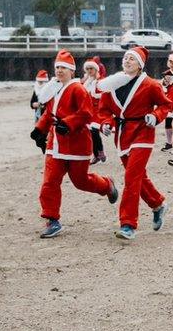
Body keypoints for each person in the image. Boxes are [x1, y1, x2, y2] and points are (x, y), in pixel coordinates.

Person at [30, 50, 119, 238]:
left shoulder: (78, 89)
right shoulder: (55, 89)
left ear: (72, 70)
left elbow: (86, 113)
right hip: (55, 144)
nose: (59, 71)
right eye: (57, 67)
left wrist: (67, 123)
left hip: (77, 144)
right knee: (50, 182)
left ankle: (106, 185)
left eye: (63, 67)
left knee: (80, 181)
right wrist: (40, 130)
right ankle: (52, 219)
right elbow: (49, 114)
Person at [97, 47, 172, 241]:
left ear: (140, 65)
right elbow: (104, 110)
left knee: (131, 177)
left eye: (132, 59)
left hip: (143, 133)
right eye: (126, 58)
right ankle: (158, 204)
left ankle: (128, 224)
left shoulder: (150, 85)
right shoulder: (111, 85)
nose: (127, 61)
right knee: (138, 176)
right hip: (122, 136)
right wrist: (105, 124)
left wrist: (155, 116)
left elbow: (165, 105)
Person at [81, 57, 107, 164]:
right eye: (88, 69)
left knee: (94, 131)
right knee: (90, 133)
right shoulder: (86, 82)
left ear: (96, 69)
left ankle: (100, 151)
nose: (89, 71)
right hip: (88, 110)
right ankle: (95, 154)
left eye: (91, 69)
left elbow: (105, 95)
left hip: (97, 110)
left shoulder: (100, 81)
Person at [161, 54, 173, 151]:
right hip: (171, 99)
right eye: (170, 61)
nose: (171, 64)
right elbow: (164, 87)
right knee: (168, 121)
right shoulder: (166, 73)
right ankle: (169, 143)